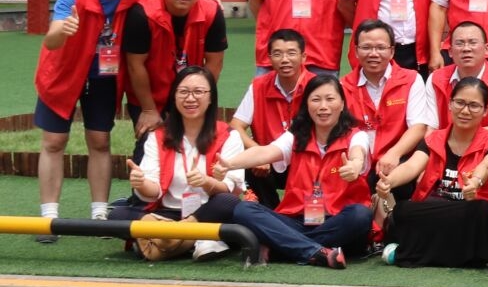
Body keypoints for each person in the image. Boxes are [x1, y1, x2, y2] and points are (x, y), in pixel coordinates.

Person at [35, 0, 153, 230]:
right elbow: (50, 40)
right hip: (62, 73)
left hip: (104, 75)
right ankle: (49, 216)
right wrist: (63, 30)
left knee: (100, 141)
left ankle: (99, 214)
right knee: (54, 141)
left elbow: (169, 3)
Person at [219, 75, 374, 269]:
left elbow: (358, 153)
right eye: (316, 100)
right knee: (244, 210)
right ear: (307, 105)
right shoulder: (295, 137)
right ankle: (315, 252)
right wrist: (229, 164)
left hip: (336, 221)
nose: (323, 106)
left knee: (360, 215)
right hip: (298, 219)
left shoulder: (356, 136)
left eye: (330, 99)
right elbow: (265, 152)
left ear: (342, 104)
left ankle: (282, 247)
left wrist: (355, 165)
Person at [376, 74, 488, 269]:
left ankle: (411, 253)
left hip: (469, 210)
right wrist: (389, 181)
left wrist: (475, 182)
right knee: (403, 209)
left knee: (481, 211)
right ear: (449, 104)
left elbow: (487, 166)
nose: (465, 111)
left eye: (474, 106)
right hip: (437, 208)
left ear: (485, 110)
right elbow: (412, 166)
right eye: (460, 103)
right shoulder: (433, 139)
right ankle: (461, 255)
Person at [114, 69, 244, 260]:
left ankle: (162, 241)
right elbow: (153, 192)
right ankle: (196, 239)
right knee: (117, 215)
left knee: (228, 202)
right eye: (183, 92)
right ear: (174, 97)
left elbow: (230, 188)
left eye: (198, 92)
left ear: (211, 98)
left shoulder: (229, 135)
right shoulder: (158, 136)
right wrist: (141, 184)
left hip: (208, 211)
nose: (190, 98)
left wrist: (207, 182)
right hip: (166, 214)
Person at [122, 0, 227, 160]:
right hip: (149, 94)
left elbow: (214, 63)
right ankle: (142, 182)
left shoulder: (212, 12)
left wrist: (199, 98)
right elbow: (135, 65)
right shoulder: (142, 14)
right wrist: (149, 110)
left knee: (194, 147)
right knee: (149, 148)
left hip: (191, 92)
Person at [340, 19, 434, 189]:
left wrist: (394, 153)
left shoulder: (411, 79)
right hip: (357, 161)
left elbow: (418, 127)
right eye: (366, 47)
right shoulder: (343, 86)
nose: (373, 53)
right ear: (356, 51)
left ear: (392, 51)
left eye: (380, 48)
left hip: (399, 159)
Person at [231, 29, 313, 204]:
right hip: (268, 162)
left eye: (291, 53)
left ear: (303, 57)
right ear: (269, 58)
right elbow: (236, 127)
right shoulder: (258, 86)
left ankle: (306, 214)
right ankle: (268, 212)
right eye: (277, 54)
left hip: (306, 161)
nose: (285, 59)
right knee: (248, 163)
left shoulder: (317, 87)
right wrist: (258, 153)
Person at [429, 21, 488, 136]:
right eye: (459, 43)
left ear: (487, 49)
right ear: (450, 52)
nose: (466, 49)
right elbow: (430, 128)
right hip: (442, 144)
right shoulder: (435, 79)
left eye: (473, 43)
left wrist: (456, 139)